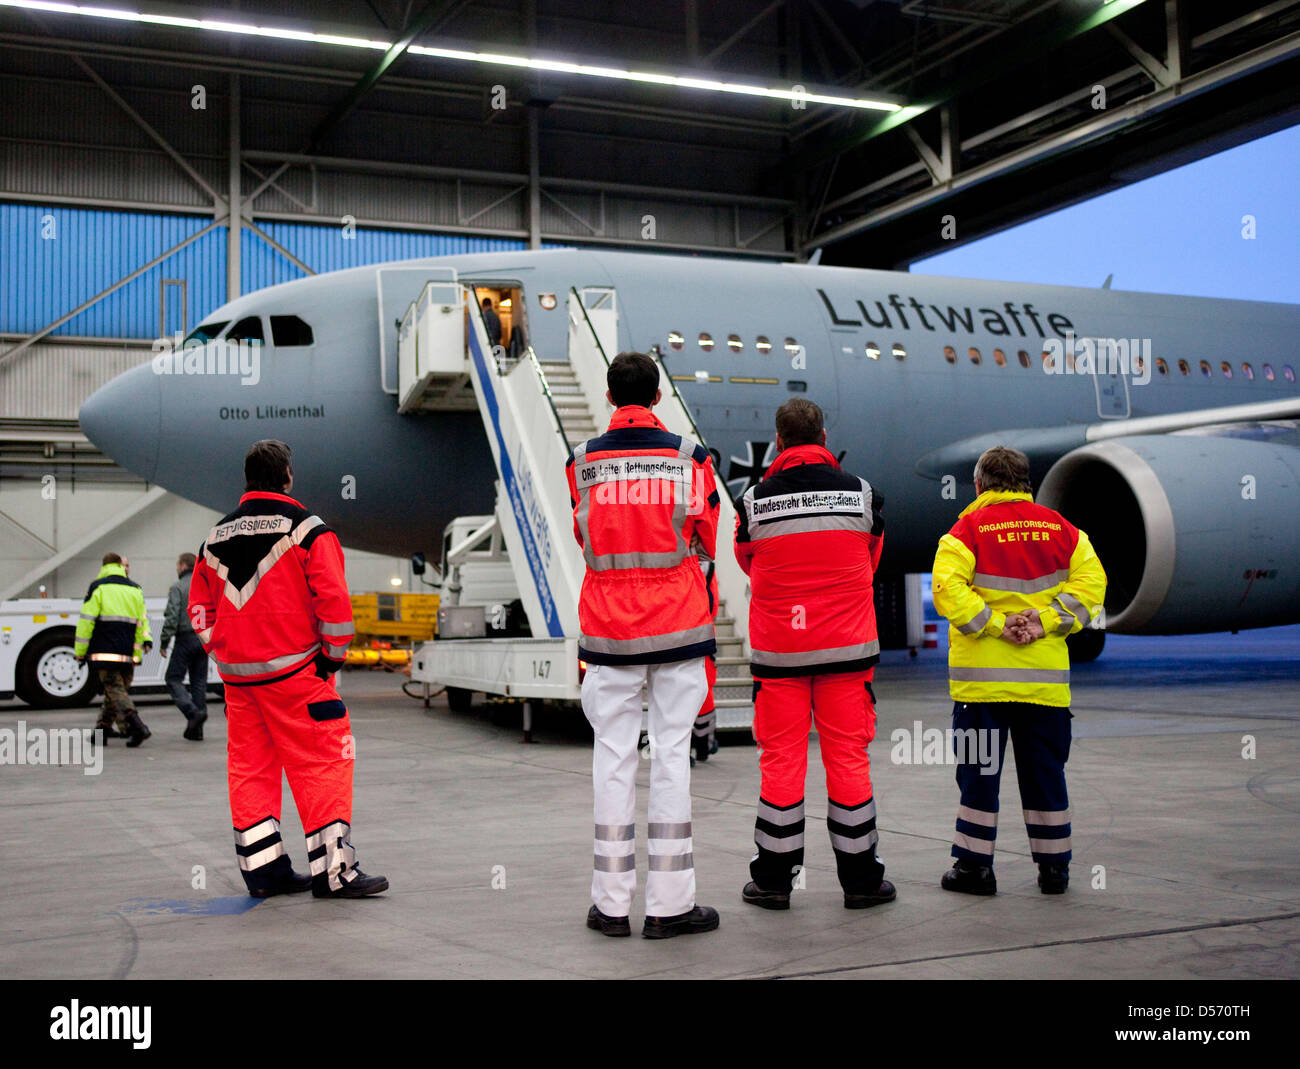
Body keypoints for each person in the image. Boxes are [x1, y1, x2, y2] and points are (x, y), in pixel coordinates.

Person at [189, 440, 387, 900]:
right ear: (287, 476)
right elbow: (334, 604)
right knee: (322, 764)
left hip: (240, 683)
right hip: (297, 676)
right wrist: (329, 659)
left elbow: (200, 610)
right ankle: (335, 873)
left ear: (247, 478)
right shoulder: (309, 531)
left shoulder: (212, 538)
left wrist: (223, 653)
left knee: (250, 770)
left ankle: (264, 873)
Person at [567, 351, 721, 939]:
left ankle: (610, 906)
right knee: (672, 757)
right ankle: (669, 905)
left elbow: (585, 535)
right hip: (678, 626)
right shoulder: (689, 457)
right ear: (657, 398)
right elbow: (706, 534)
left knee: (612, 759)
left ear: (610, 398)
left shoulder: (581, 463)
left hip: (608, 631)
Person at [734, 399, 894, 911]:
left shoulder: (753, 501)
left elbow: (746, 561)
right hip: (847, 654)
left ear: (779, 442)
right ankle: (862, 883)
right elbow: (872, 561)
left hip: (781, 656)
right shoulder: (864, 496)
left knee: (781, 763)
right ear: (824, 437)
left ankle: (774, 883)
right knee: (848, 759)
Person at [931, 445, 1107, 896]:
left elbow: (946, 588)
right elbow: (1092, 586)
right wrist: (1045, 621)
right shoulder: (1064, 531)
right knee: (1045, 776)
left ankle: (974, 870)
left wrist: (994, 624)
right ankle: (1054, 871)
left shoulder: (965, 531)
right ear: (1026, 483)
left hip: (983, 688)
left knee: (978, 778)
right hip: (1044, 687)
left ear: (978, 484)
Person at [74, 552, 152, 747]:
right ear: (120, 565)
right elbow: (142, 621)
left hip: (103, 650)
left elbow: (86, 622)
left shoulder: (98, 587)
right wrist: (144, 643)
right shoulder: (135, 589)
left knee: (115, 690)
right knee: (115, 691)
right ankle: (101, 731)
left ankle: (137, 726)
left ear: (103, 566)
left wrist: (80, 651)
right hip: (127, 652)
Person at [160, 552, 208, 741]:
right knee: (198, 682)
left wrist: (164, 642)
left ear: (182, 565)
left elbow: (172, 617)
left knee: (173, 678)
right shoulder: (204, 585)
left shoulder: (177, 587)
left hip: (185, 638)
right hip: (203, 638)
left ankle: (192, 712)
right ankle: (197, 730)